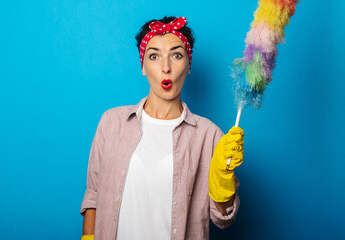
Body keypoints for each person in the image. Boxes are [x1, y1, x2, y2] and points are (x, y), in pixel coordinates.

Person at [80, 16, 244, 240]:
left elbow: (223, 219)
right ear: (143, 67)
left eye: (176, 55)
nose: (166, 67)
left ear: (188, 66)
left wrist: (223, 179)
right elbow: (93, 196)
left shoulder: (210, 135)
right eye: (154, 56)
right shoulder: (111, 122)